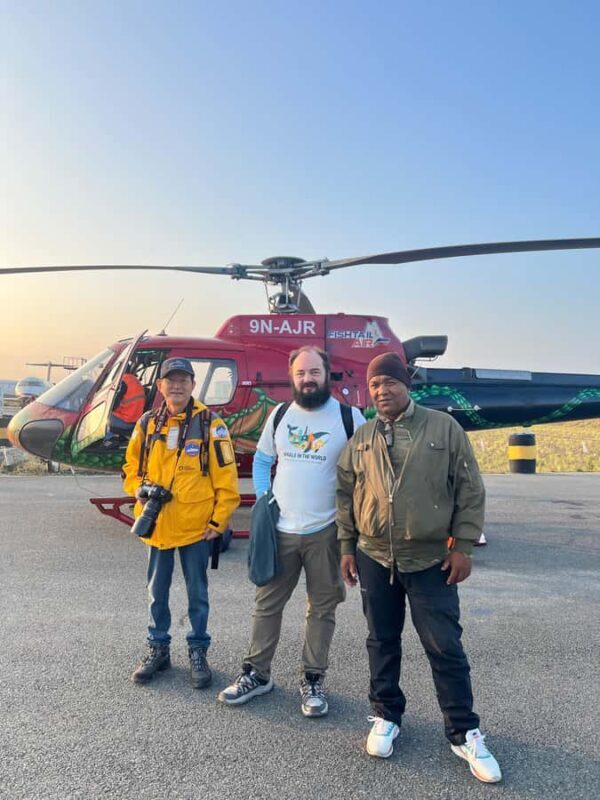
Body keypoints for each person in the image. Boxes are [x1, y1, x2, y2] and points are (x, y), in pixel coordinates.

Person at [336, 352, 501, 783]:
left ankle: (464, 732)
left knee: (445, 647)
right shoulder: (363, 437)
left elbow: (470, 489)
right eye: (374, 385)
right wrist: (346, 547)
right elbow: (345, 493)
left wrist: (463, 545)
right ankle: (385, 714)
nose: (382, 391)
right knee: (381, 640)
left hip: (429, 559)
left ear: (406, 385)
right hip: (375, 556)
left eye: (389, 383)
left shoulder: (443, 428)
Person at [218, 346, 365, 716]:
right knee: (267, 604)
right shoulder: (280, 414)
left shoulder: (350, 418)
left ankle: (313, 678)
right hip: (280, 529)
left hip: (326, 531)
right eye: (301, 373)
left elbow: (366, 471)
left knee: (322, 608)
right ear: (292, 376)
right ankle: (257, 673)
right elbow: (264, 459)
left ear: (326, 374)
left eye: (314, 372)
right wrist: (266, 499)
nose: (307, 379)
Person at [123, 357, 240, 688]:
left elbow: (226, 478)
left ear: (192, 385)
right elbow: (130, 467)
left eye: (183, 380)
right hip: (157, 525)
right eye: (170, 380)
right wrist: (139, 491)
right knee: (156, 593)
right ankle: (158, 649)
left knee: (197, 594)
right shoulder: (147, 424)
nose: (177, 386)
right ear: (160, 386)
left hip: (195, 527)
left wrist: (218, 521)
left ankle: (198, 650)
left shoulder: (210, 425)